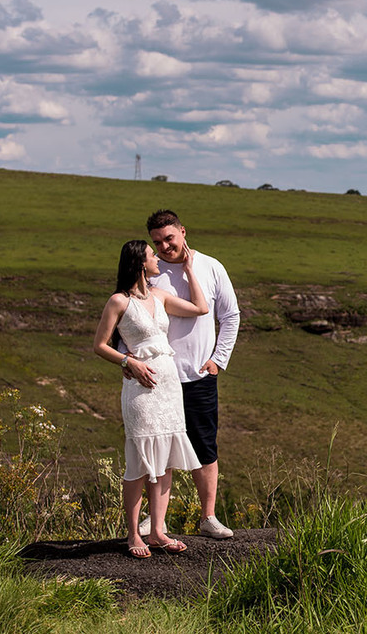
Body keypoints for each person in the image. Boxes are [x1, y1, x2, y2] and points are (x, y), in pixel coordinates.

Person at [93, 239, 209, 559]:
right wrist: (127, 361)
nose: (157, 258)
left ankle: (158, 530)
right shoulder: (118, 301)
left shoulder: (159, 295)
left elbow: (201, 308)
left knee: (166, 458)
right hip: (140, 388)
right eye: (151, 254)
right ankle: (133, 533)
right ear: (139, 262)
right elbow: (100, 345)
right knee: (140, 460)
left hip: (168, 384)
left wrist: (189, 270)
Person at [135, 209, 241, 540]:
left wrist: (217, 361)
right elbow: (131, 314)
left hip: (199, 376)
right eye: (158, 242)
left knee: (205, 446)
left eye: (169, 238)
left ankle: (208, 517)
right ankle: (156, 522)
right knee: (159, 448)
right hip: (158, 376)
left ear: (183, 231)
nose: (165, 246)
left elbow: (231, 315)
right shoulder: (149, 273)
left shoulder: (211, 266)